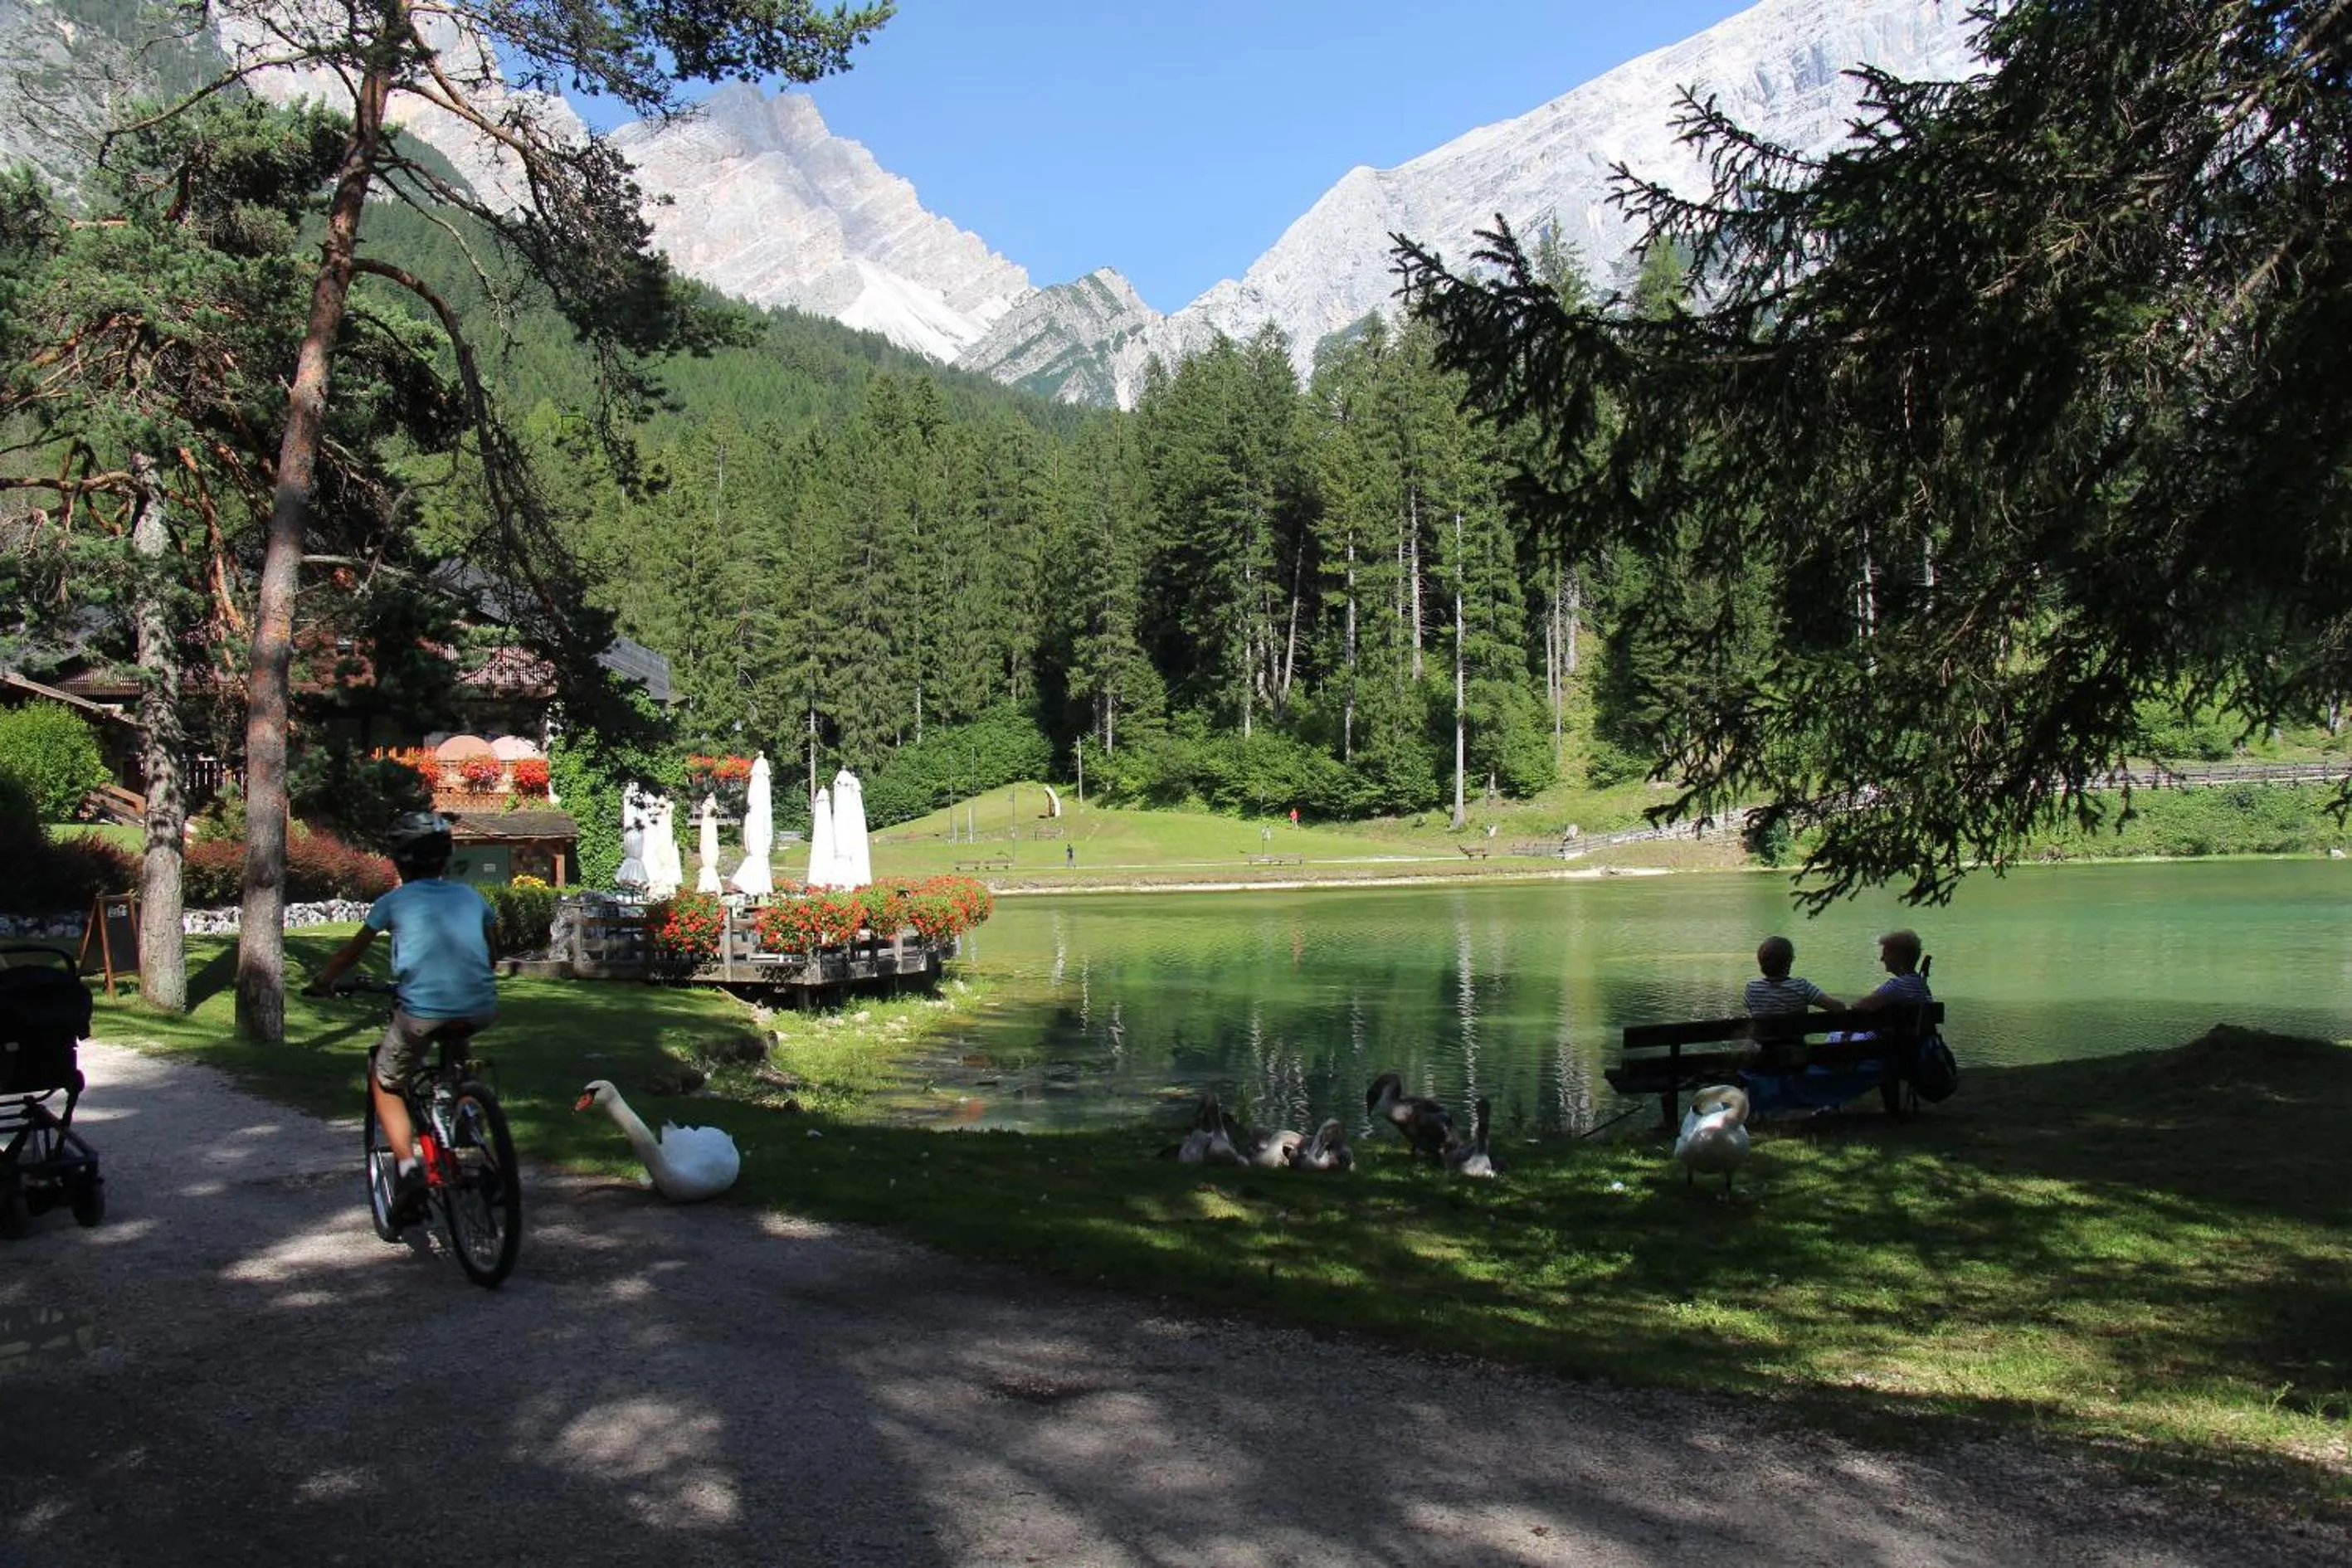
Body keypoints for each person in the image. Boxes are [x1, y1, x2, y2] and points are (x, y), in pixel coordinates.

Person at [306, 811, 497, 1225]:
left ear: (398, 860)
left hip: (421, 1011)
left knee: (386, 1077)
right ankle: (466, 1112)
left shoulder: (393, 902)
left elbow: (350, 954)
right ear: (445, 859)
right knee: (457, 1051)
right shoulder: (471, 898)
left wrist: (323, 982)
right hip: (480, 1004)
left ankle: (410, 1170)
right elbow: (490, 945)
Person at [1743, 936, 1842, 1072]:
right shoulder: (1802, 986)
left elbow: (1754, 1011)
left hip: (1763, 1058)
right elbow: (1838, 1007)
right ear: (1789, 962)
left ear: (1761, 963)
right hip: (1796, 1059)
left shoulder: (1752, 989)